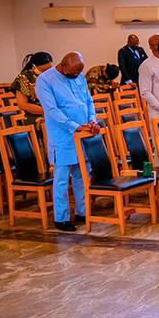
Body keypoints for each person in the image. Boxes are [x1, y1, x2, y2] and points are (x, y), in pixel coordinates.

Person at [35, 53, 100, 233]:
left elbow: (88, 100)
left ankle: (82, 212)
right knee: (62, 180)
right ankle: (61, 218)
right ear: (63, 65)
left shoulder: (78, 75)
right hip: (62, 137)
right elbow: (51, 110)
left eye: (78, 73)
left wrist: (92, 120)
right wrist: (75, 126)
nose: (75, 76)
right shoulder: (45, 81)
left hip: (83, 135)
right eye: (72, 73)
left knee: (82, 176)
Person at [11, 52, 54, 126]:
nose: (47, 74)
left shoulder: (52, 76)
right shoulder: (24, 78)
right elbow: (22, 105)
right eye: (44, 71)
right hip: (36, 119)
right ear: (34, 66)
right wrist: (47, 111)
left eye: (50, 70)